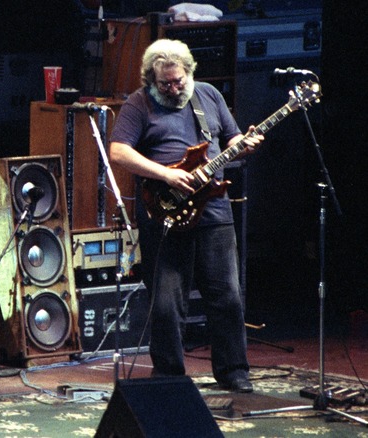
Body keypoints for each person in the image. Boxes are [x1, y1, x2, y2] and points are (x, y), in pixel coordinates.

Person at [108, 39, 263, 393]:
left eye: (179, 81)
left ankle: (234, 371)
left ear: (189, 72)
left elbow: (232, 137)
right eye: (166, 84)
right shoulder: (139, 103)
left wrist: (245, 142)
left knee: (227, 296)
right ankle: (168, 375)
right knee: (166, 302)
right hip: (164, 211)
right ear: (151, 80)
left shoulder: (208, 96)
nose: (175, 89)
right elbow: (118, 152)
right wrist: (166, 175)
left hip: (213, 212)